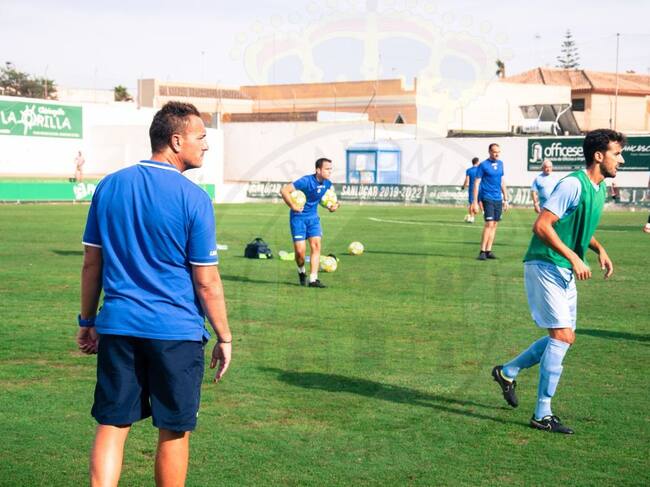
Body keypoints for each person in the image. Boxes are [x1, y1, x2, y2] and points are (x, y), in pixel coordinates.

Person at [77, 101, 232, 486]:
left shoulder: (109, 185)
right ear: (176, 141)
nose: (206, 145)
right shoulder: (194, 198)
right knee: (174, 430)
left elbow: (92, 263)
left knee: (113, 424)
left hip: (118, 326)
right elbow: (207, 281)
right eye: (201, 137)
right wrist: (225, 337)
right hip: (175, 332)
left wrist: (87, 320)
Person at [491, 128, 626, 434]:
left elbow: (575, 226)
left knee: (565, 338)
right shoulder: (573, 184)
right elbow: (542, 225)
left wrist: (599, 249)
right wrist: (574, 257)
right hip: (545, 263)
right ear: (598, 156)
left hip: (562, 267)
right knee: (562, 336)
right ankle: (542, 414)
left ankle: (507, 372)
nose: (621, 160)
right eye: (617, 154)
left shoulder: (599, 188)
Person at [280, 158, 339, 288]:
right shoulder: (305, 181)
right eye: (327, 169)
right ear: (318, 170)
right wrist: (293, 206)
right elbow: (284, 191)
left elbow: (325, 200)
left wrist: (333, 206)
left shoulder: (328, 184)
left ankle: (313, 279)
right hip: (298, 218)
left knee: (316, 246)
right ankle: (301, 271)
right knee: (300, 253)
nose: (330, 171)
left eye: (331, 169)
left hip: (313, 219)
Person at [471, 143, 508, 260]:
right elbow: (476, 183)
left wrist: (506, 199)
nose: (497, 154)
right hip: (487, 197)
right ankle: (482, 251)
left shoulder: (501, 164)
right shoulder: (483, 165)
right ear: (490, 152)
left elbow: (502, 181)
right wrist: (475, 202)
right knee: (489, 224)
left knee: (495, 225)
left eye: (498, 152)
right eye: (494, 152)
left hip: (498, 198)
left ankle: (488, 250)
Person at [461, 157, 481, 223]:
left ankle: (471, 217)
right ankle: (472, 216)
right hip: (480, 188)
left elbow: (467, 181)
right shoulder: (480, 170)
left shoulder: (469, 170)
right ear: (477, 162)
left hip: (472, 188)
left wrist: (463, 186)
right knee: (479, 203)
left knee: (472, 203)